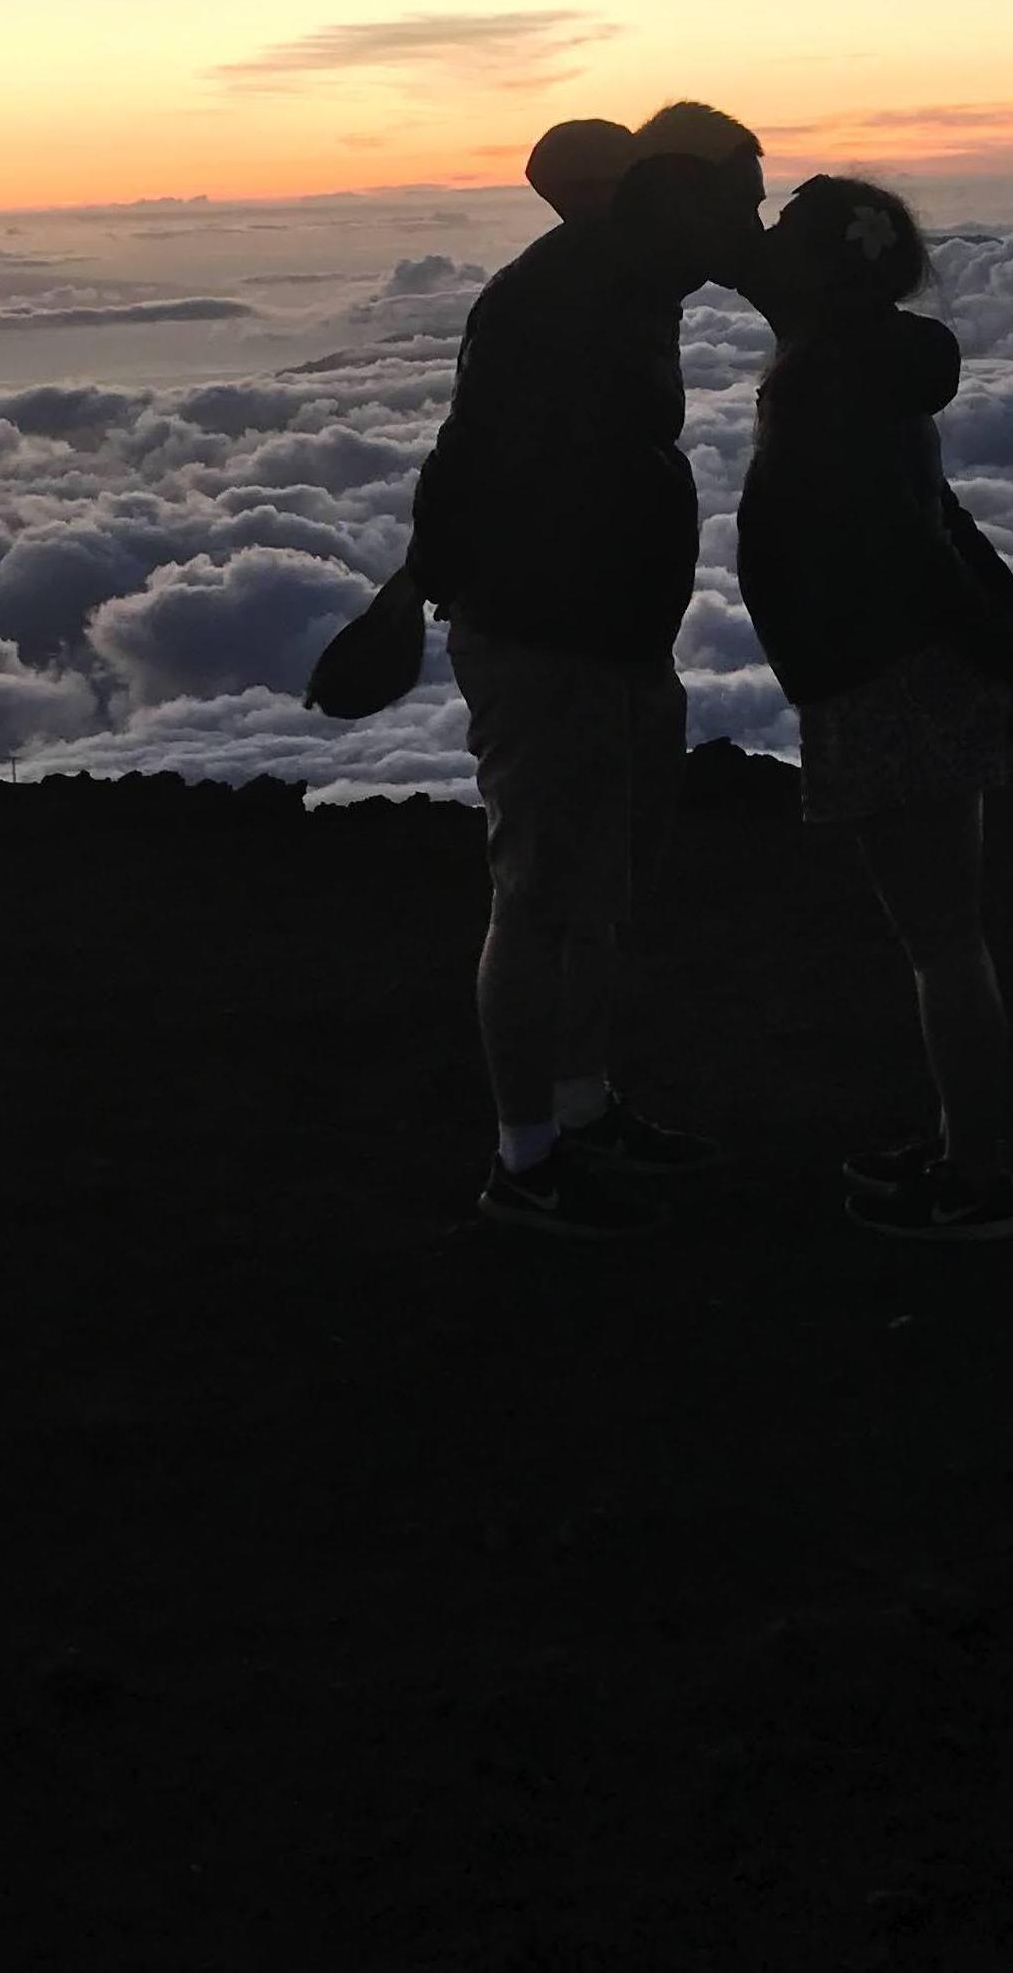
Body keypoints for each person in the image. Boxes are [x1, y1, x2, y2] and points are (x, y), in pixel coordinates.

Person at [407, 101, 767, 1237]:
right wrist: (415, 588)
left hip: (614, 638)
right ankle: (525, 1158)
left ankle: (582, 1107)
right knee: (541, 896)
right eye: (741, 199)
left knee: (601, 892)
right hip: (545, 639)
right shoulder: (567, 296)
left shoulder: (632, 283)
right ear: (681, 198)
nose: (753, 222)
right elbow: (471, 457)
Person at [735, 176, 1013, 1241]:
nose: (763, 247)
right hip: (918, 666)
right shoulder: (873, 367)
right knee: (941, 938)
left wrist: (992, 636)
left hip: (890, 673)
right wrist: (1001, 632)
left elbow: (901, 540)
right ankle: (962, 1150)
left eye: (783, 236)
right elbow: (933, 516)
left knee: (943, 943)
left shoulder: (830, 379)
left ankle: (977, 1183)